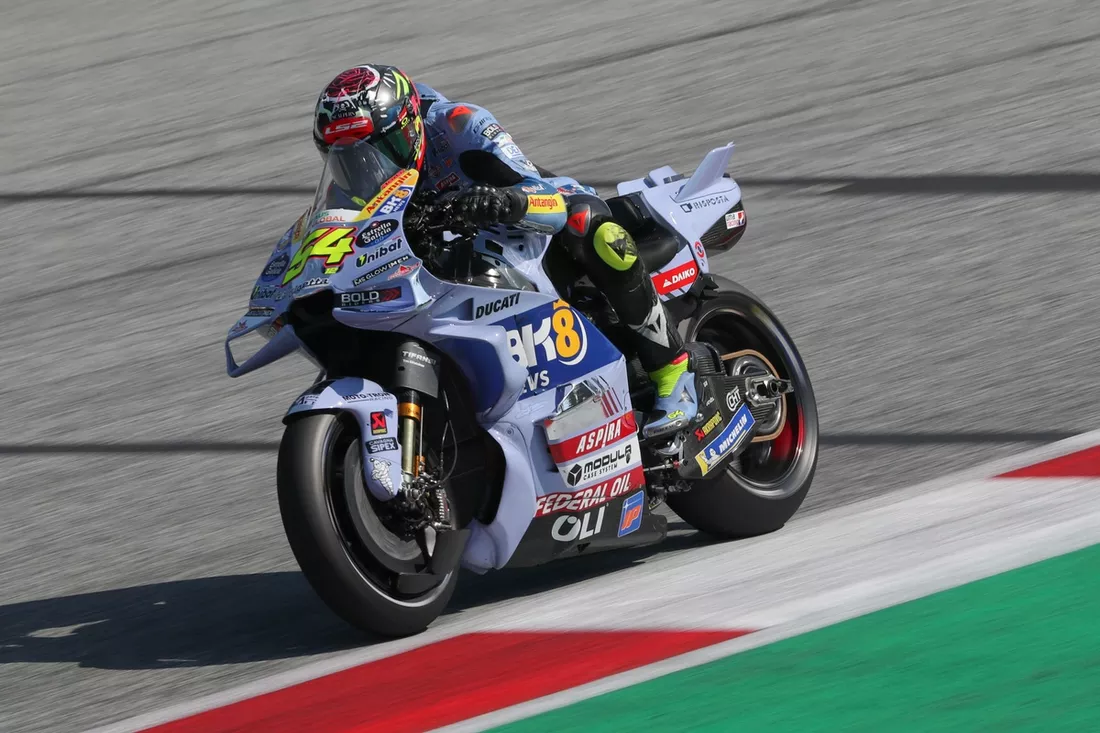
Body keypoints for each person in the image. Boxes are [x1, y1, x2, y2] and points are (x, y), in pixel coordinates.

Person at [311, 64, 697, 438]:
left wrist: (505, 201)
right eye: (344, 157)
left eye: (376, 150)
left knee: (590, 226)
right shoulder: (351, 188)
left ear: (408, 127)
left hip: (525, 222)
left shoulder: (458, 124)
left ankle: (674, 374)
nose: (364, 167)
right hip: (446, 259)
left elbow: (547, 198)